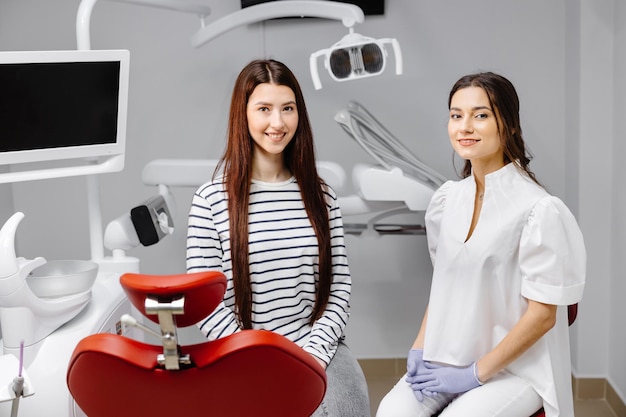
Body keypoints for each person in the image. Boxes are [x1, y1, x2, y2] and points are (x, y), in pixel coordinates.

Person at [376, 72, 586, 417]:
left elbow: (544, 316)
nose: (465, 127)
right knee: (391, 412)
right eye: (456, 115)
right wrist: (419, 348)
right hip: (448, 354)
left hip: (517, 370)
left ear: (511, 125)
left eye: (481, 115)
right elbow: (444, 286)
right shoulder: (447, 200)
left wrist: (473, 375)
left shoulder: (539, 210)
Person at [186, 59, 370, 417]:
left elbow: (339, 288)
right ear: (244, 114)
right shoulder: (210, 200)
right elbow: (205, 305)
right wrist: (256, 358)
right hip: (243, 355)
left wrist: (313, 354)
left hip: (318, 349)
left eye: (288, 108)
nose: (278, 122)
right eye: (264, 109)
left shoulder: (322, 196)